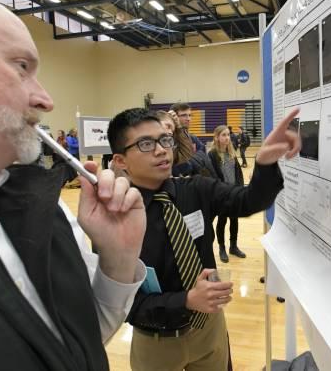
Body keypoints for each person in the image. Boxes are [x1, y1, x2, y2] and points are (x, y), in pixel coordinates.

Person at [0, 0, 147, 369]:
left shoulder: (44, 207)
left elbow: (74, 344)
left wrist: (118, 260)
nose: (45, 99)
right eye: (21, 67)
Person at [108, 107, 300, 371]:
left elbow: (248, 200)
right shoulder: (113, 219)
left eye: (165, 140)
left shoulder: (195, 189)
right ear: (120, 161)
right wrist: (186, 300)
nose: (162, 150)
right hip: (156, 343)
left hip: (208, 329)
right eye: (145, 144)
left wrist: (265, 162)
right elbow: (123, 304)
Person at [209, 125, 246, 262]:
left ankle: (233, 246)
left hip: (234, 193)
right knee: (222, 221)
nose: (227, 138)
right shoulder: (212, 154)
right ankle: (222, 248)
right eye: (223, 135)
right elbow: (212, 176)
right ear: (217, 137)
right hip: (222, 195)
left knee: (234, 220)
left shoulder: (231, 152)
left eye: (228, 135)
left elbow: (238, 173)